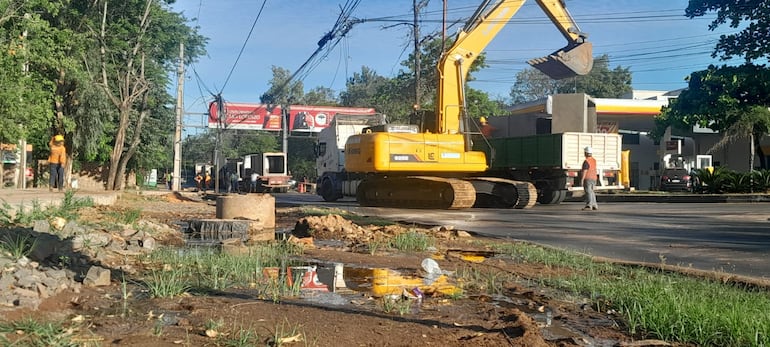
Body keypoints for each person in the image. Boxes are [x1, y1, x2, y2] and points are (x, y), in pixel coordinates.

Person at [581, 146, 598, 211]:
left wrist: (582, 179)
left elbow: (585, 170)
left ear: (585, 153)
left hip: (588, 178)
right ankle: (594, 205)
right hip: (594, 178)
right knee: (592, 192)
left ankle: (589, 205)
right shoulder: (594, 160)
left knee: (588, 192)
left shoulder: (586, 161)